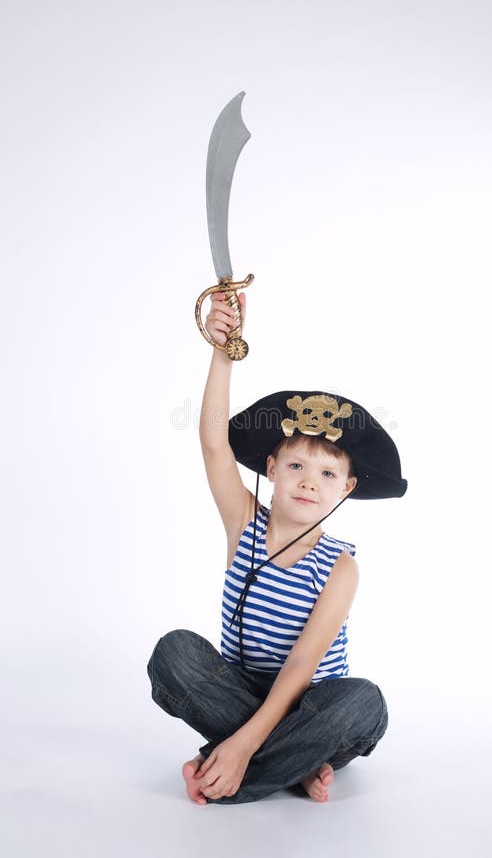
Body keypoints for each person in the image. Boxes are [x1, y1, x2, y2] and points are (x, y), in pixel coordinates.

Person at [146, 291, 407, 805]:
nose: (309, 482)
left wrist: (242, 743)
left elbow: (300, 668)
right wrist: (223, 351)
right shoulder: (244, 523)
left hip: (311, 703)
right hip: (239, 695)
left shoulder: (340, 568)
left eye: (327, 473)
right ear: (270, 469)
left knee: (364, 703)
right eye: (295, 466)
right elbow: (213, 443)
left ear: (346, 488)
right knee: (173, 652)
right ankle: (296, 765)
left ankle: (226, 769)